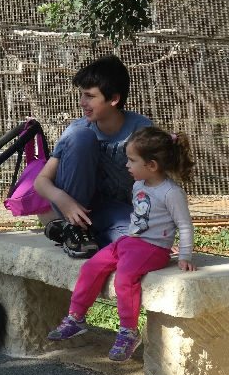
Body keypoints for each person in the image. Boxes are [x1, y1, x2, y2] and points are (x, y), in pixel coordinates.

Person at [47, 126, 196, 362]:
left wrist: (185, 256)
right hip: (129, 242)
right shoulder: (139, 185)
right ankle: (76, 318)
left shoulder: (171, 193)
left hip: (153, 249)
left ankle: (128, 331)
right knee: (91, 267)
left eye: (131, 160)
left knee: (125, 279)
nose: (127, 165)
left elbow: (185, 225)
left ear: (152, 165)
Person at [34, 55, 152, 259]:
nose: (82, 102)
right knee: (82, 138)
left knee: (137, 245)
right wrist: (63, 201)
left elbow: (155, 182)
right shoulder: (78, 129)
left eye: (89, 96)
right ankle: (73, 229)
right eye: (81, 94)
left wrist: (155, 236)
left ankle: (70, 232)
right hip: (72, 205)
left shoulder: (141, 128)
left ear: (114, 99)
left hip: (114, 210)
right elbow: (41, 181)